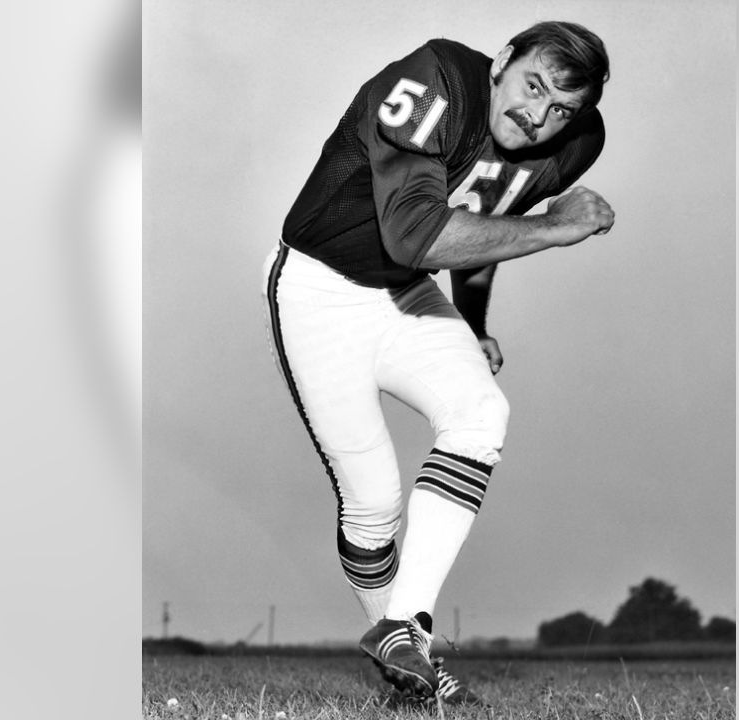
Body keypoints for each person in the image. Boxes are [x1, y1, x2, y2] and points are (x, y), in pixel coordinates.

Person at [261, 21, 613, 705]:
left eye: (562, 109)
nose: (538, 117)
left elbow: (485, 215)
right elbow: (416, 231)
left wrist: (476, 324)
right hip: (318, 286)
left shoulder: (578, 144)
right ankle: (401, 650)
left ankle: (407, 631)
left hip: (403, 292)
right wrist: (555, 228)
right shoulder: (437, 80)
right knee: (373, 503)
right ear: (502, 62)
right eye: (532, 86)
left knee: (482, 413)